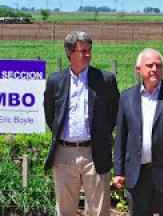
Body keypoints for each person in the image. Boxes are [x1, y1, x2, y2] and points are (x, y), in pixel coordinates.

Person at [43, 31, 119, 216]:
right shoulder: (55, 81)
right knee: (65, 209)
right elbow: (51, 116)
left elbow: (113, 115)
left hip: (95, 153)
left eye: (89, 50)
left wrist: (100, 137)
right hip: (64, 153)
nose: (87, 55)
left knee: (98, 210)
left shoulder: (105, 80)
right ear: (69, 53)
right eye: (82, 51)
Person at [113, 48, 163, 216]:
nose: (154, 70)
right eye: (149, 65)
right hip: (137, 174)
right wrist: (119, 171)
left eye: (158, 66)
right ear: (138, 70)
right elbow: (121, 137)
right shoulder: (126, 97)